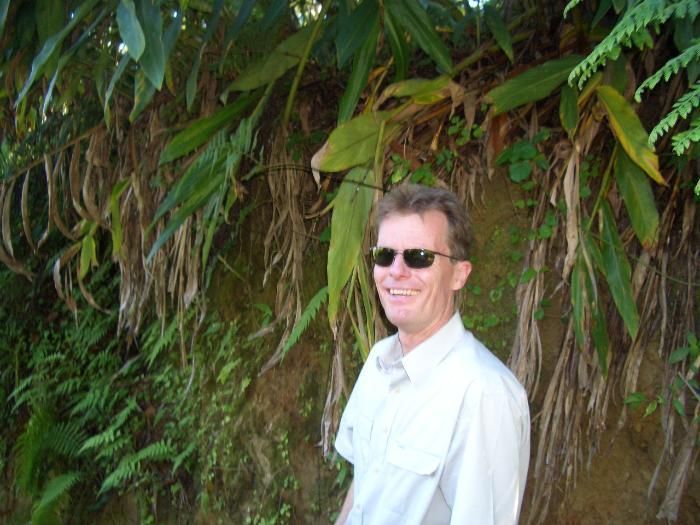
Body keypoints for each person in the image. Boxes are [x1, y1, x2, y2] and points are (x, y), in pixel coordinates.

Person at [334, 184, 530, 525]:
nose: (396, 271)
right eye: (385, 255)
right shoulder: (378, 361)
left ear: (459, 275)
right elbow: (364, 485)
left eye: (419, 257)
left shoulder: (484, 395)